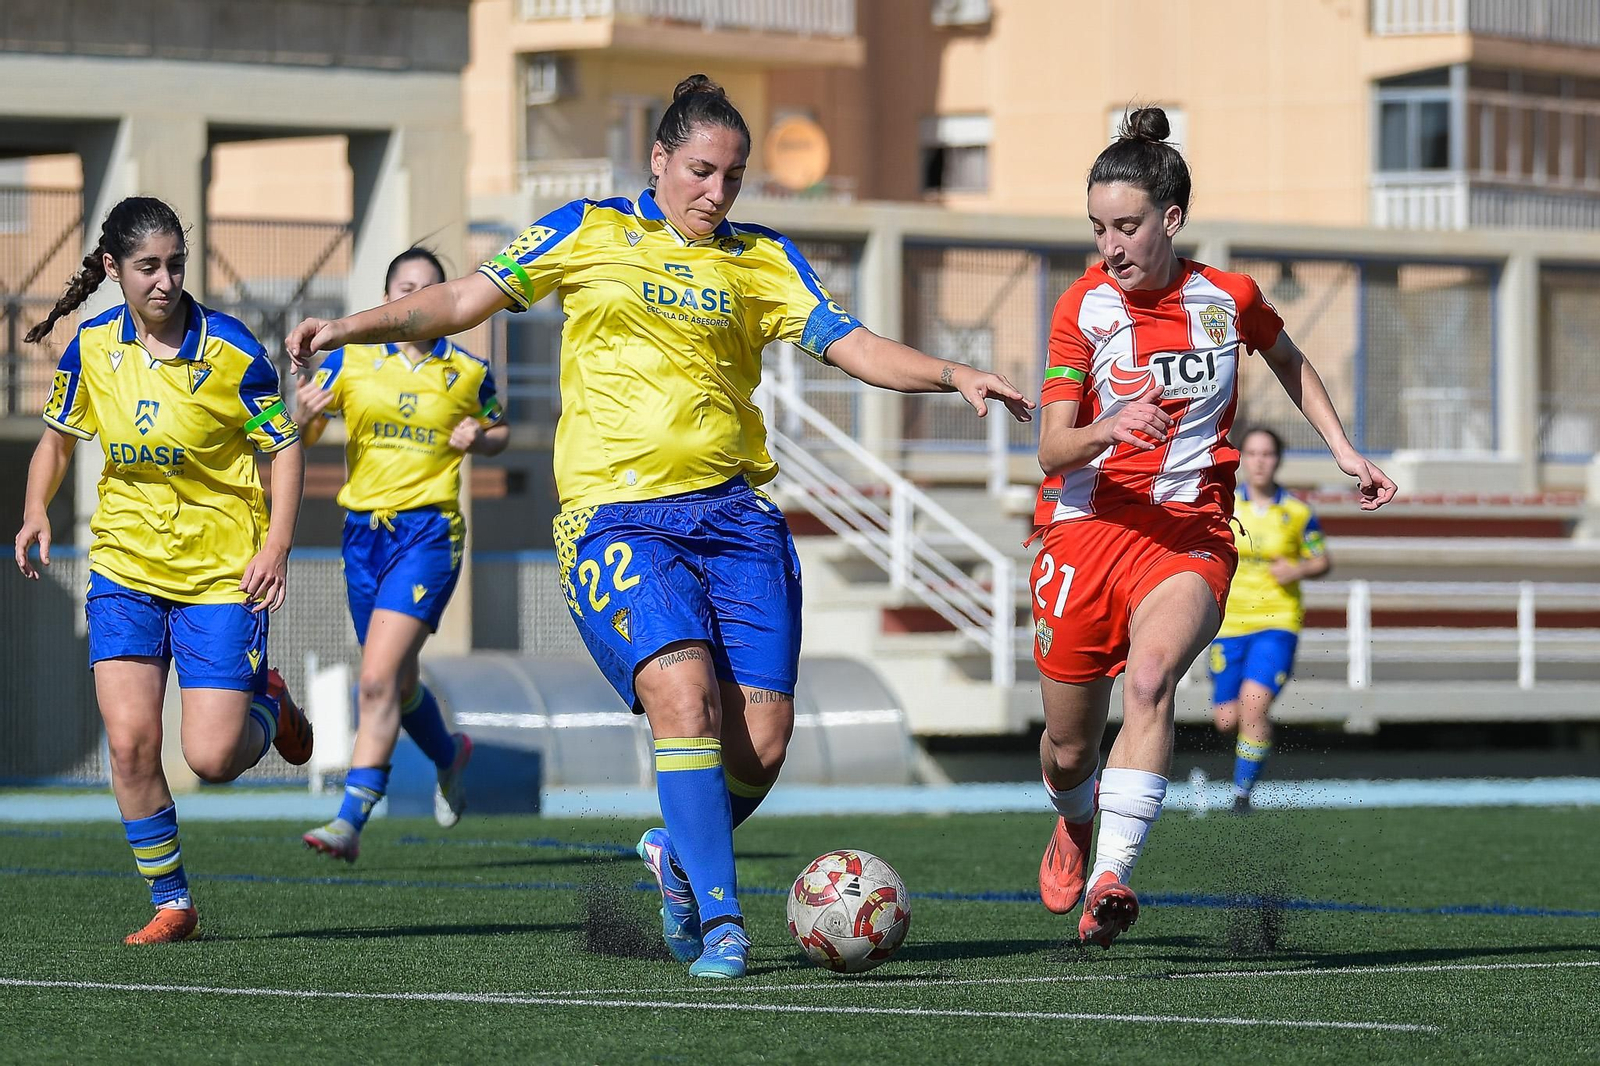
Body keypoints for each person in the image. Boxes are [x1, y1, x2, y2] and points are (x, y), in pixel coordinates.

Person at [287, 74, 1031, 979]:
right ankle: (722, 924)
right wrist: (348, 328)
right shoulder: (585, 230)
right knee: (685, 700)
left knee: (762, 746)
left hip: (736, 518)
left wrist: (954, 373)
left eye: (734, 177)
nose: (717, 193)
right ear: (660, 160)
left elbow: (855, 344)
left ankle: (676, 852)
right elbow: (456, 303)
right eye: (702, 171)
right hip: (616, 520)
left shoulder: (762, 260)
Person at [1030, 108, 1394, 948]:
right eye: (1096, 229)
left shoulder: (1228, 299)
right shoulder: (1081, 308)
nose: (1109, 246)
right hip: (1084, 531)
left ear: (1172, 219)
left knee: (1153, 678)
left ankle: (1113, 874)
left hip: (1189, 535)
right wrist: (1107, 425)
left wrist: (1344, 449)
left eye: (1125, 226)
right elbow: (1053, 448)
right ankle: (1075, 820)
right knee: (1064, 745)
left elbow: (1290, 359)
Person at [12, 196, 313, 944]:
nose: (165, 281)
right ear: (113, 270)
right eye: (147, 267)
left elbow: (285, 446)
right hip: (123, 569)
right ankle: (172, 901)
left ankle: (267, 704)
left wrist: (276, 543)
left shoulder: (233, 350)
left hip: (220, 576)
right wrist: (36, 510)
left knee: (210, 757)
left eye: (176, 264)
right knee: (129, 743)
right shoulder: (92, 348)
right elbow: (54, 441)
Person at [297, 248, 507, 862]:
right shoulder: (353, 361)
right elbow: (301, 432)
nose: (411, 300)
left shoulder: (468, 372)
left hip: (428, 534)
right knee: (399, 680)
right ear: (387, 299)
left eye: (425, 291)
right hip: (363, 535)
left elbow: (499, 427)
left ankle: (351, 817)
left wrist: (483, 438)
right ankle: (449, 755)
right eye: (402, 288)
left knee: (377, 678)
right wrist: (304, 415)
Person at [1209, 427, 1330, 813]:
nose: (1260, 461)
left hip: (1277, 620)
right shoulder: (1223, 506)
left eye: (1267, 454)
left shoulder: (1297, 513)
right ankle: (1249, 760)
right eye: (1253, 453)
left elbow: (1321, 558)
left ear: (1278, 460)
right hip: (1228, 624)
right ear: (1241, 457)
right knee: (1227, 719)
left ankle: (1242, 793)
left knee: (1254, 704)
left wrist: (1298, 569)